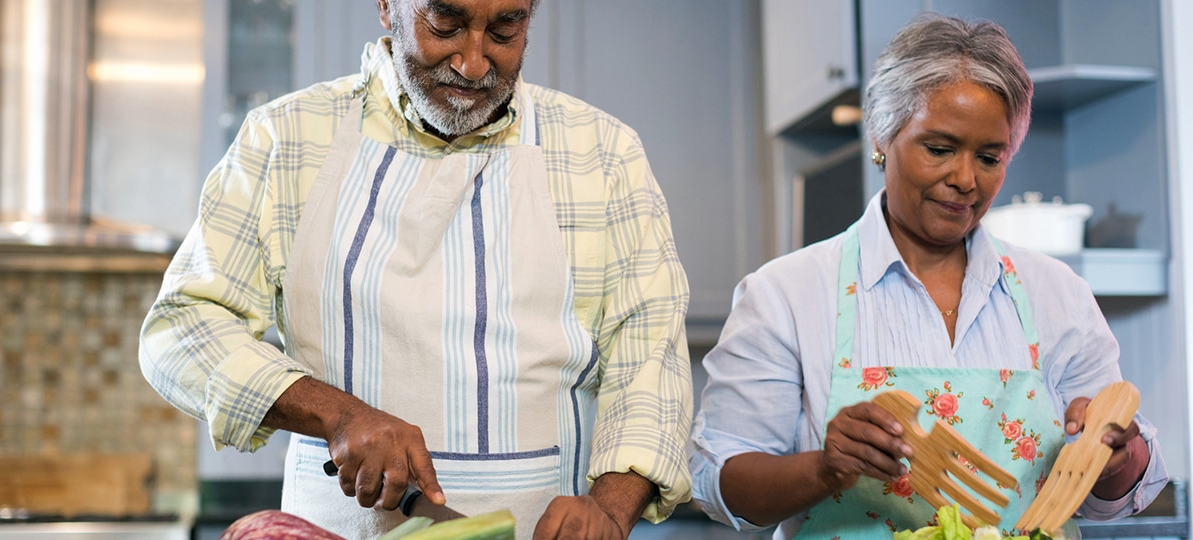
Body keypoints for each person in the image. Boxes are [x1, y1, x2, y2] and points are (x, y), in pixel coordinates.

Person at [138, 1, 694, 538]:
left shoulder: (603, 153)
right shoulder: (283, 138)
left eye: (505, 30)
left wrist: (610, 511)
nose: (473, 63)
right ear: (387, 6)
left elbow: (650, 361)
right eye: (445, 24)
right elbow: (182, 328)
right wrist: (336, 414)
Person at [688, 13, 1167, 539]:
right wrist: (824, 467)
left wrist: (1115, 454)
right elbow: (719, 482)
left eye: (990, 157)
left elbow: (1114, 500)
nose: (965, 180)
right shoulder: (786, 295)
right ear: (882, 135)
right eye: (939, 149)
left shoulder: (1057, 294)